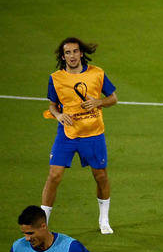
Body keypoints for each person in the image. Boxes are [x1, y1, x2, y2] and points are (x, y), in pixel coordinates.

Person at [42, 38, 119, 233]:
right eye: (68, 53)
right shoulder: (56, 78)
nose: (72, 56)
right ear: (63, 56)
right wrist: (59, 115)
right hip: (67, 135)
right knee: (54, 176)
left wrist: (98, 102)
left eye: (75, 52)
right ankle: (43, 223)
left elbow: (113, 99)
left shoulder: (96, 73)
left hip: (93, 134)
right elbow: (52, 105)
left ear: (81, 53)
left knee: (100, 177)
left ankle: (104, 220)